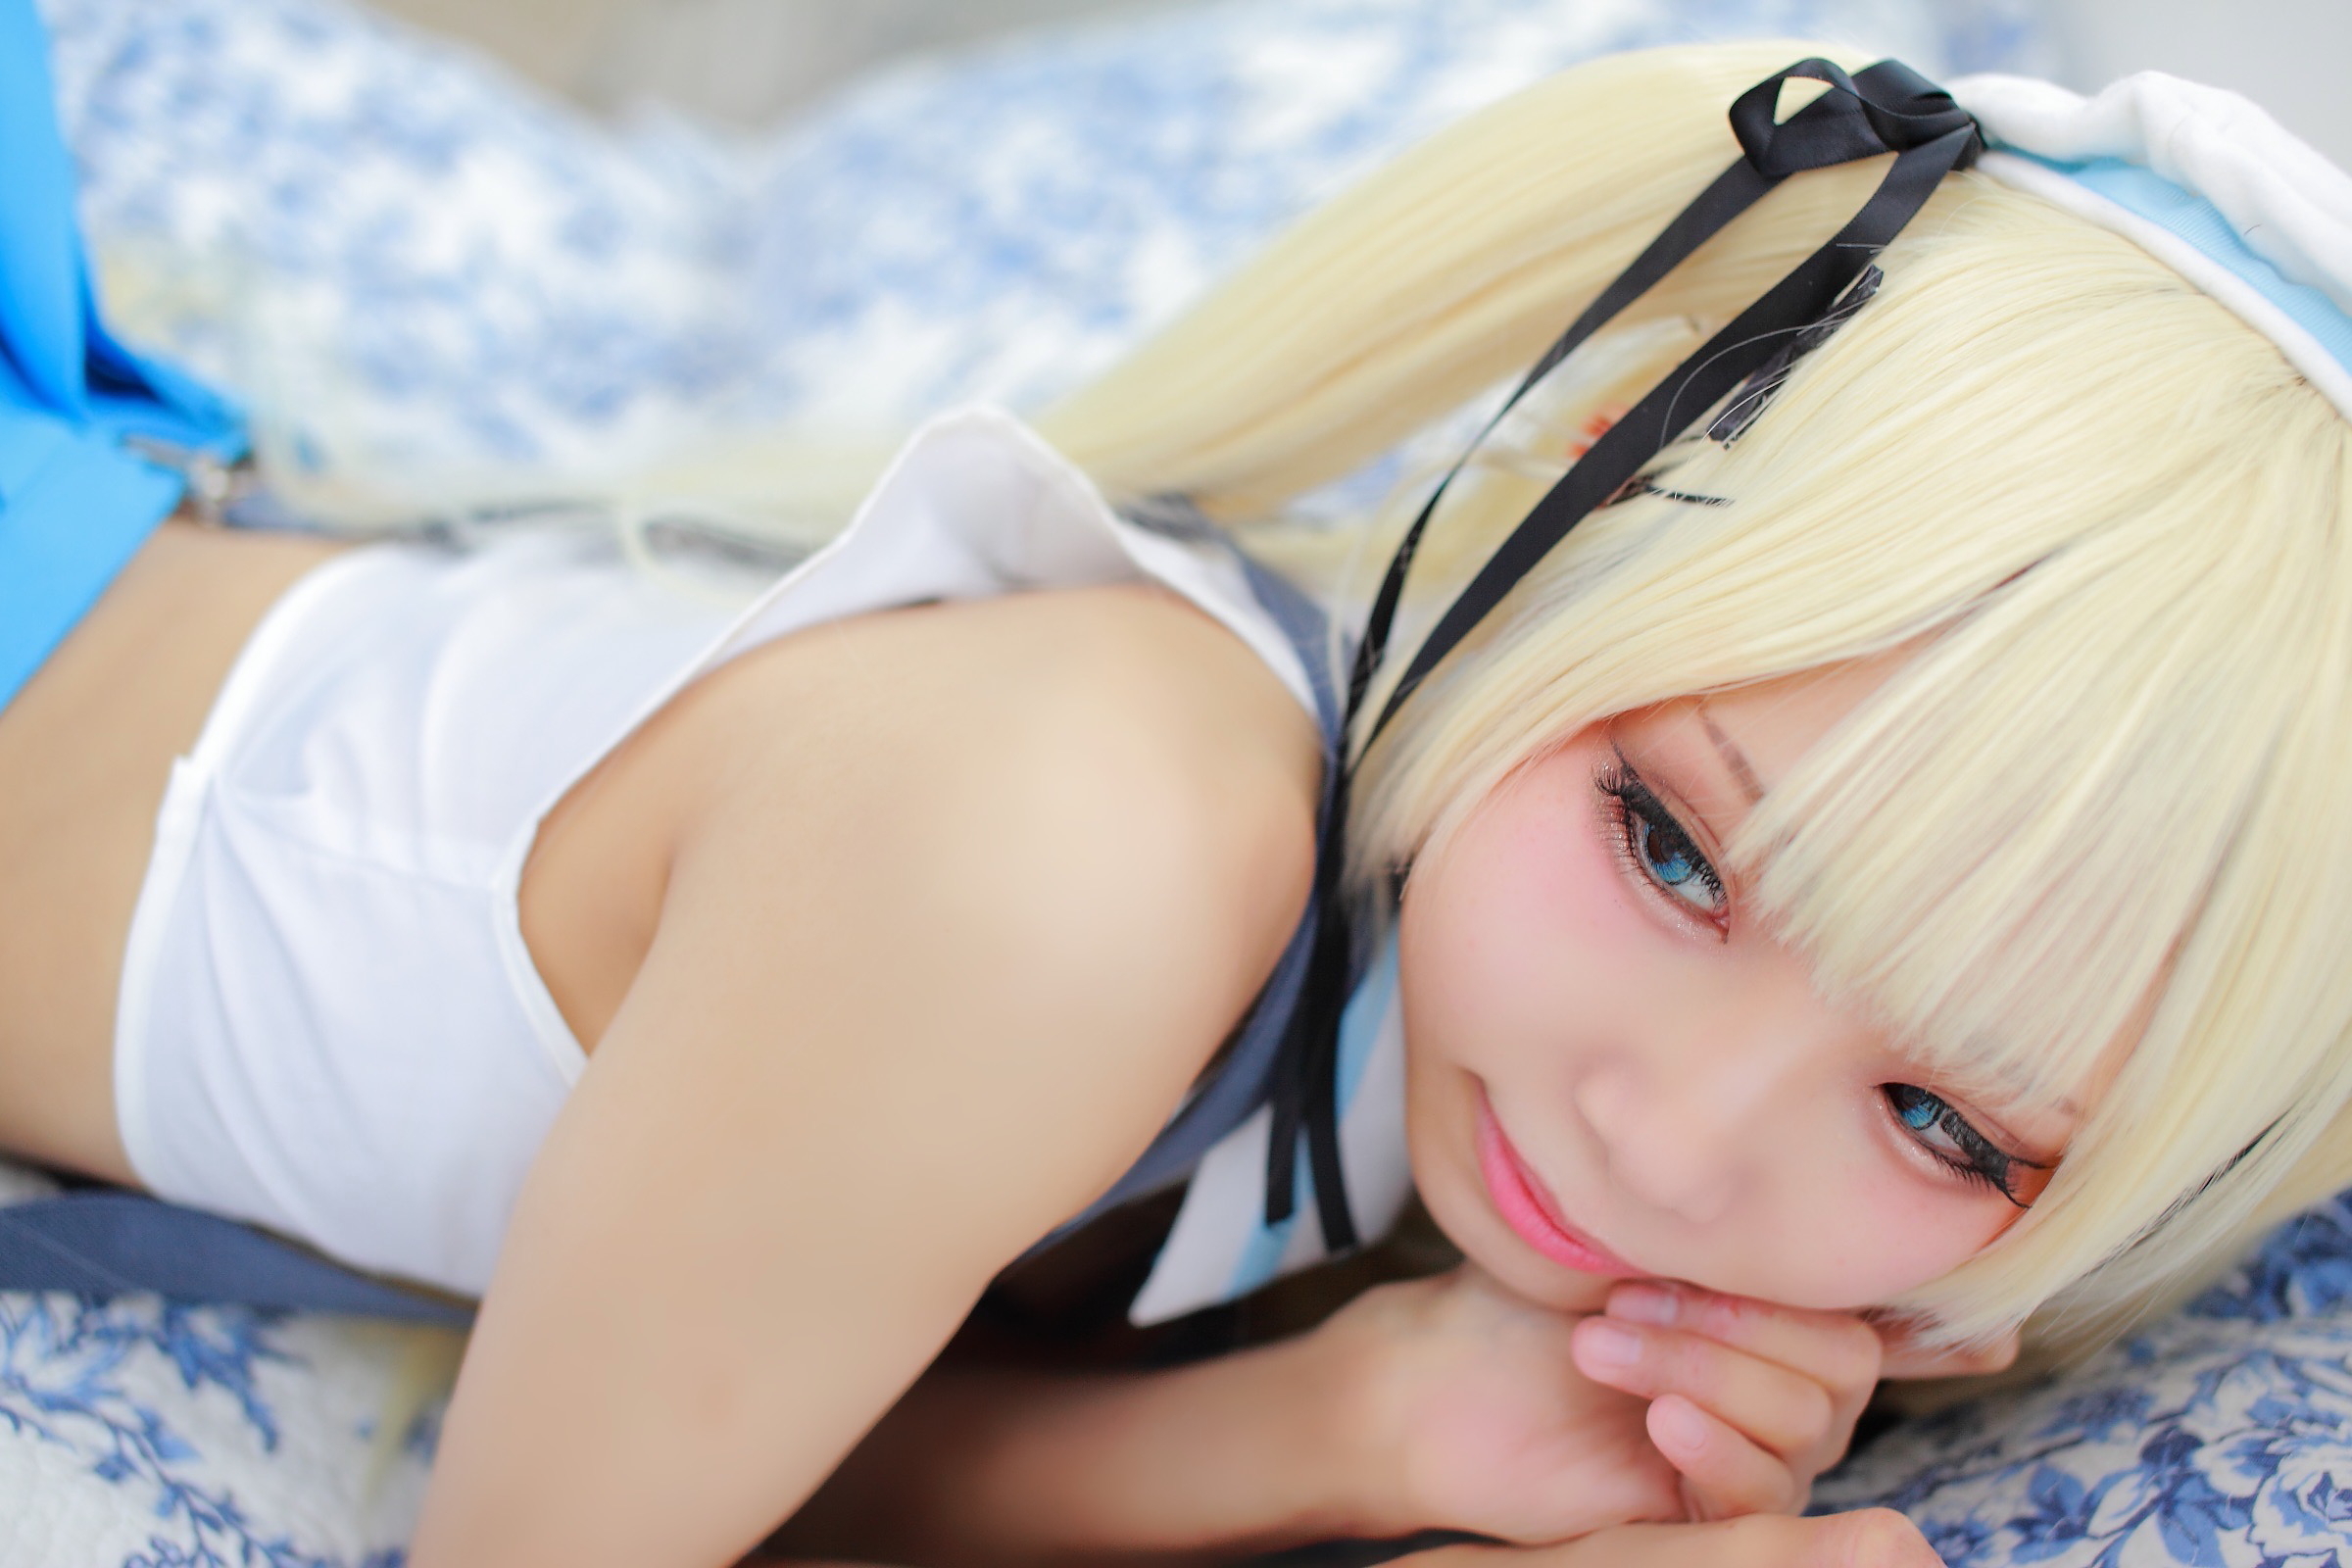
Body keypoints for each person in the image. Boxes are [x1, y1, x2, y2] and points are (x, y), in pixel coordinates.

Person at [3, 13, 2349, 1565]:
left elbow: (777, 1433)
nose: (1674, 1140)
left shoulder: (1399, 1069)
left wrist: (1360, 1427)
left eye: (1949, 1119)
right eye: (1666, 843)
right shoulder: (1090, 846)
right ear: (1573, 486)